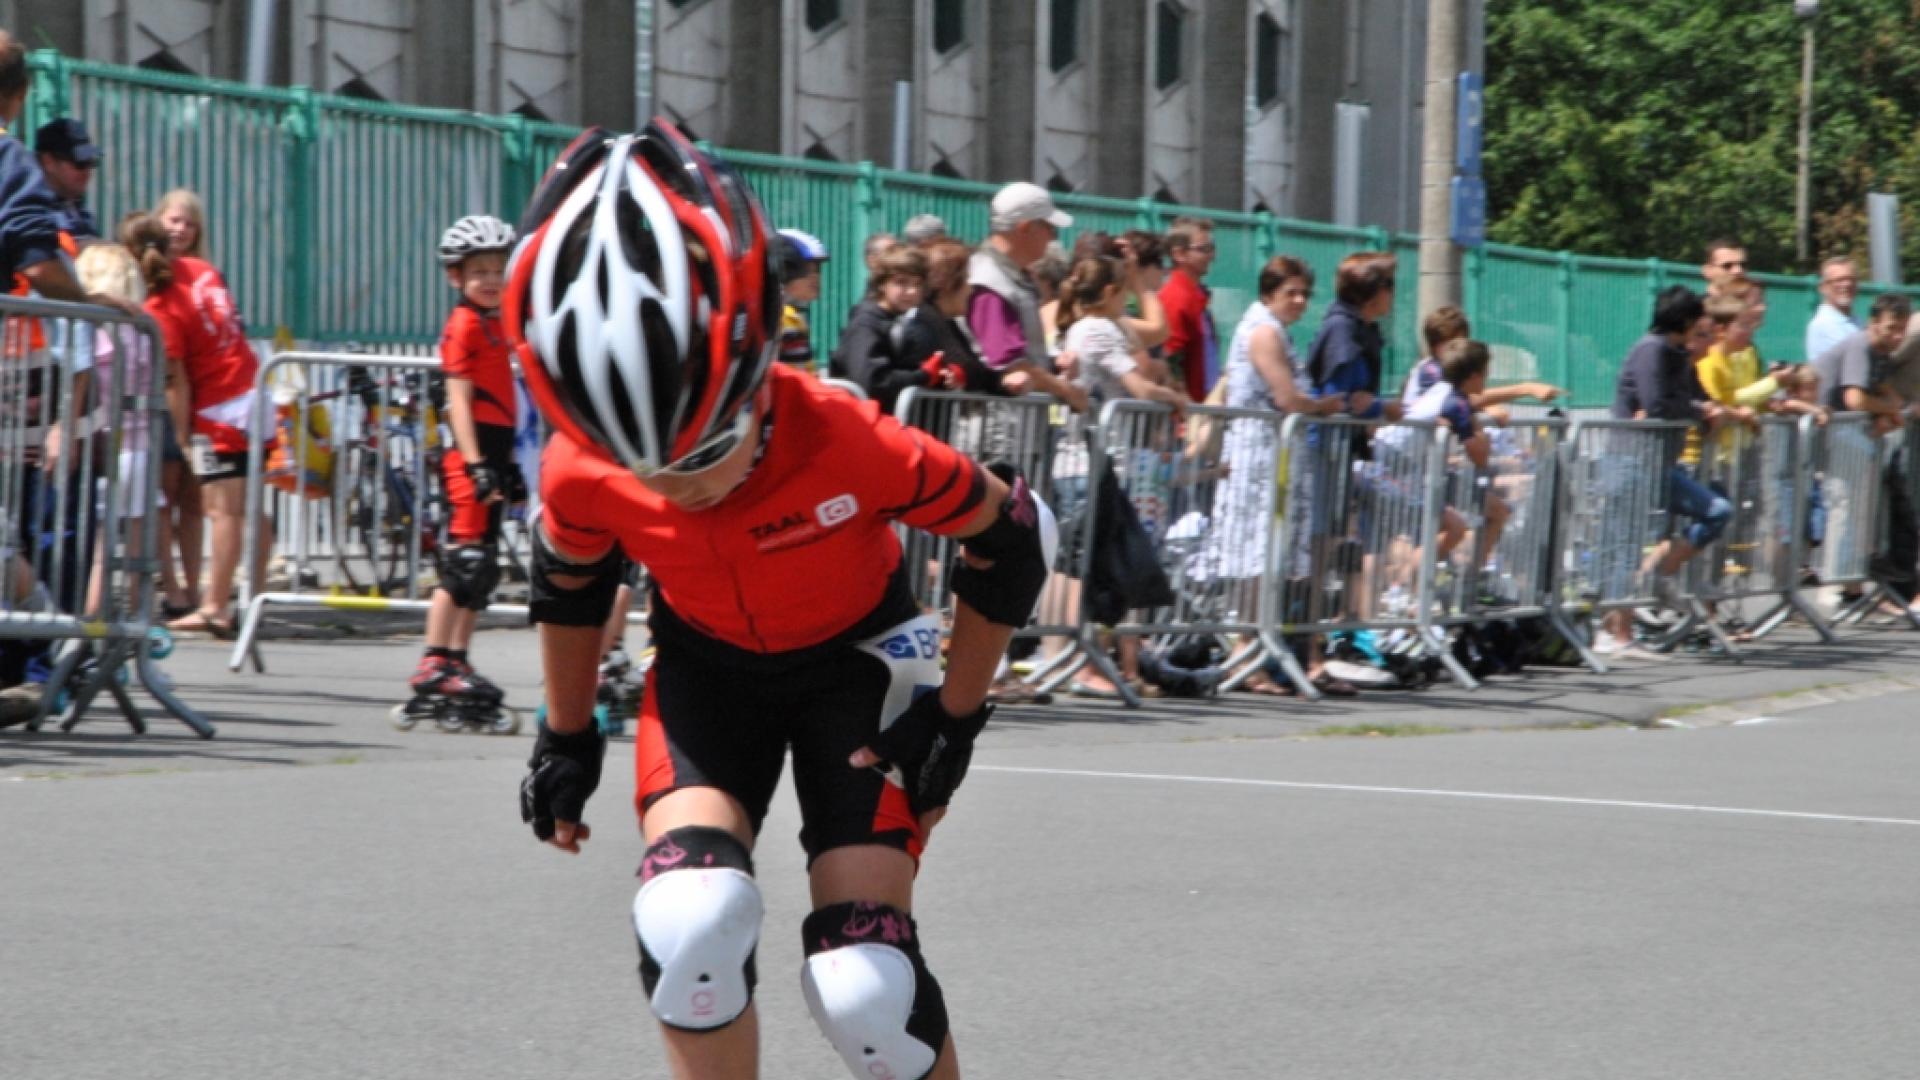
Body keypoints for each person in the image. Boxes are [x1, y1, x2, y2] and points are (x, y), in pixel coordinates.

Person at [506, 122, 1056, 1080]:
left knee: (865, 983)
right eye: (642, 465)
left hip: (859, 669)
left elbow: (1012, 540)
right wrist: (566, 732)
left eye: (709, 448)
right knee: (691, 922)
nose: (680, 489)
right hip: (707, 674)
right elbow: (571, 585)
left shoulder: (847, 437)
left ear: (759, 366)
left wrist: (955, 718)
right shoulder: (576, 467)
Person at [1205, 256, 1346, 696]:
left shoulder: (1273, 329)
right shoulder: (1264, 331)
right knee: (1257, 557)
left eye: (1305, 293)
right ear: (1269, 294)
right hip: (1260, 456)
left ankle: (1249, 654)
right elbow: (1286, 398)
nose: (1300, 301)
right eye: (1291, 293)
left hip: (1274, 454)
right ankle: (1246, 655)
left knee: (1265, 559)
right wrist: (1322, 406)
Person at [401, 215, 523, 720]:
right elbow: (457, 402)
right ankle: (434, 661)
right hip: (469, 454)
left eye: (498, 269)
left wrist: (509, 464)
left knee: (483, 567)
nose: (491, 280)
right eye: (479, 272)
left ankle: (458, 658)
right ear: (456, 276)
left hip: (496, 450)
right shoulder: (465, 325)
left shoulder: (499, 321)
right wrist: (476, 465)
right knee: (463, 563)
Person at [136, 206, 269, 638]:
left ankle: (215, 606)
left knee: (222, 510)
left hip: (220, 408)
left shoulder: (160, 306)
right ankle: (255, 597)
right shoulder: (201, 269)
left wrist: (183, 438)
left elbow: (178, 382)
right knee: (251, 507)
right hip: (252, 389)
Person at [1599, 286, 1733, 657]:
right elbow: (1656, 404)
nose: (1702, 329)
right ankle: (1617, 634)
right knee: (1625, 546)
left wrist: (1705, 410)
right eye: (1697, 321)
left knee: (1717, 510)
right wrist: (1696, 410)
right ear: (1685, 320)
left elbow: (1691, 399)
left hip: (1660, 464)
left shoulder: (1678, 354)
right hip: (1630, 460)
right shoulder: (1652, 350)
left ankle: (1659, 575)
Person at [966, 182, 1086, 410]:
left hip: (1019, 422)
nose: (1053, 237)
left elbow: (1024, 356)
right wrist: (1067, 391)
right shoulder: (988, 281)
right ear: (1025, 227)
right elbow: (1008, 364)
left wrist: (1054, 363)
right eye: (1050, 228)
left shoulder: (1009, 275)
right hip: (997, 424)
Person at [151, 188, 212, 615]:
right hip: (162, 396)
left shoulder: (203, 275)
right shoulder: (151, 275)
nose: (181, 229)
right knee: (163, 495)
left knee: (194, 499)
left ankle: (194, 586)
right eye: (174, 220)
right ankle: (170, 585)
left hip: (201, 399)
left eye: (189, 223)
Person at [832, 245, 960, 411]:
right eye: (901, 282)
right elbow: (872, 381)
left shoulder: (905, 319)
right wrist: (923, 376)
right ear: (881, 284)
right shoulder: (866, 323)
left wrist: (942, 374)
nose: (911, 291)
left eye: (917, 284)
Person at [1158, 216, 1219, 401]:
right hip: (1188, 410)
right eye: (1204, 249)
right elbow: (1170, 358)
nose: (1212, 256)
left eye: (1212, 248)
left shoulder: (1196, 294)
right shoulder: (1176, 296)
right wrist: (1187, 408)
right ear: (1179, 254)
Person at [31, 118, 100, 240]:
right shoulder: (31, 216)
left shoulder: (80, 213)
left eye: (90, 162)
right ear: (48, 162)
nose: (87, 171)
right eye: (80, 163)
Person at [775, 228, 828, 371]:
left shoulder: (790, 317)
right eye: (807, 270)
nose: (815, 278)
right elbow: (799, 376)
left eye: (817, 270)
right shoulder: (787, 320)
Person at [1806, 255, 1860, 362]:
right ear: (1823, 288)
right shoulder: (1823, 325)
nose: (1847, 284)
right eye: (1839, 280)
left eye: (1851, 279)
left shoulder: (1856, 321)